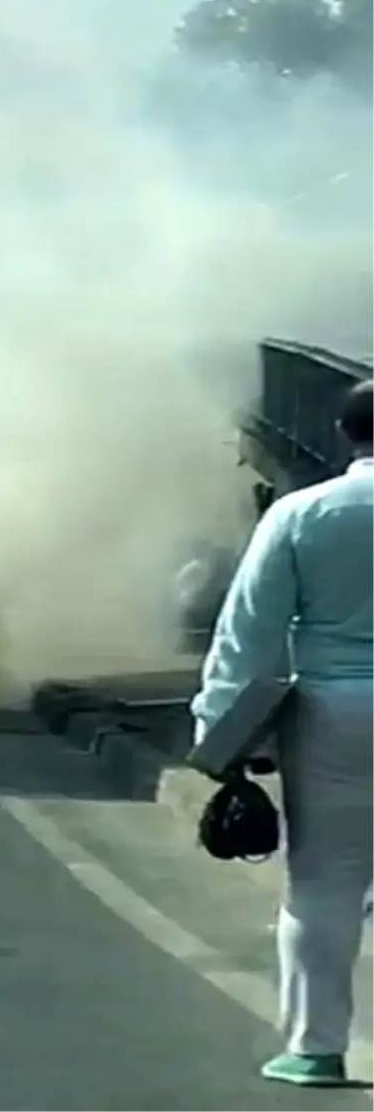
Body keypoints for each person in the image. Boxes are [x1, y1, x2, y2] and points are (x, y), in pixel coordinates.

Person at [191, 378, 374, 1087]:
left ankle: (316, 1048)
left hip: (330, 714)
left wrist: (222, 736)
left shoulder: (302, 514)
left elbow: (248, 635)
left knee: (323, 884)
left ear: (342, 433)